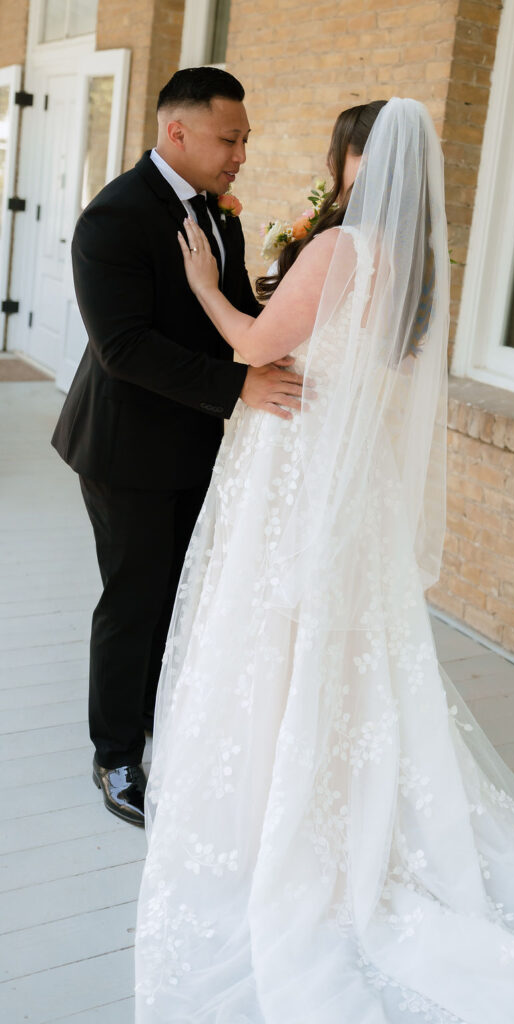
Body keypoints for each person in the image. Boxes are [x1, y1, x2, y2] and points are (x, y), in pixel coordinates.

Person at [134, 99, 514, 1022]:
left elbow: (254, 345)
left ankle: (282, 801)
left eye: (337, 147)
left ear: (355, 158)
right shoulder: (419, 265)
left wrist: (202, 285)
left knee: (280, 624)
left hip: (304, 464)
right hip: (359, 479)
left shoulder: (341, 250)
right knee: (344, 641)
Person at [51, 67, 304, 827]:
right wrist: (241, 389)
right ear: (178, 132)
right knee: (135, 600)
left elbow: (220, 306)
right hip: (125, 447)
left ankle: (168, 718)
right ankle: (117, 755)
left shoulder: (217, 211)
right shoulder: (113, 219)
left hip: (197, 438)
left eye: (246, 141)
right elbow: (124, 347)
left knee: (182, 590)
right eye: (231, 140)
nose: (241, 158)